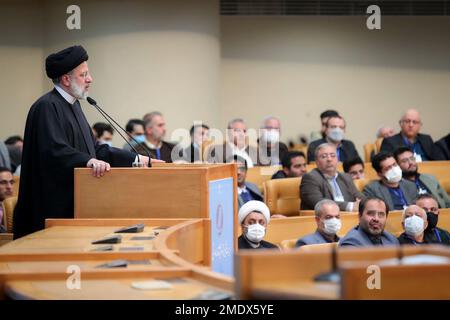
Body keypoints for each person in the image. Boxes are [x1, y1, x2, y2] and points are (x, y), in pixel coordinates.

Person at [13, 45, 152, 239]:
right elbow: (54, 151)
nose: (90, 79)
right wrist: (87, 161)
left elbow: (95, 150)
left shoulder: (74, 105)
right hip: (51, 213)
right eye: (84, 74)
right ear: (66, 79)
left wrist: (137, 160)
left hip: (76, 208)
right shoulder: (46, 107)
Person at [300, 143, 363, 211]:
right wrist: (350, 206)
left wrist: (367, 204)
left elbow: (360, 197)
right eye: (324, 156)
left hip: (349, 217)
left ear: (337, 160)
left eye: (333, 156)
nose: (329, 159)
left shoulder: (346, 177)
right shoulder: (310, 178)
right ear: (317, 162)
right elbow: (319, 203)